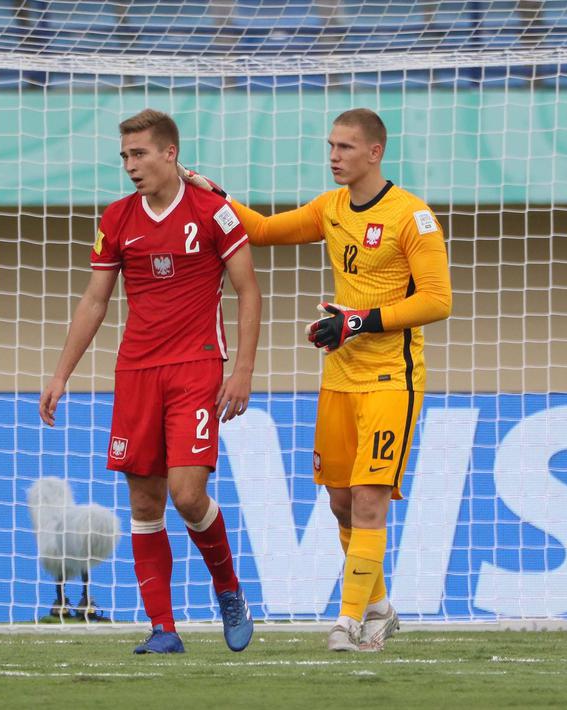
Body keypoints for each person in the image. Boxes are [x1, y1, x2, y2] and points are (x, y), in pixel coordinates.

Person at [181, 108, 452, 652]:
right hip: (339, 379)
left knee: (370, 498)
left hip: (390, 380)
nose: (334, 156)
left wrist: (359, 321)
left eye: (346, 147)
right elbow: (260, 230)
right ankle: (378, 605)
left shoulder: (412, 217)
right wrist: (215, 197)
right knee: (340, 503)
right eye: (331, 146)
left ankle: (348, 622)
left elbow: (438, 300)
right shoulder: (330, 208)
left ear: (375, 152)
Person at [40, 108, 261, 654]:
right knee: (144, 504)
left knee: (188, 496)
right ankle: (163, 628)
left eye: (139, 154)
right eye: (124, 156)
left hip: (196, 368)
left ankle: (229, 591)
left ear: (170, 154)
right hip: (136, 372)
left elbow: (249, 291)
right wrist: (60, 374)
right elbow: (95, 300)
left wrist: (243, 372)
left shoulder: (214, 211)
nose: (130, 166)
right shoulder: (116, 218)